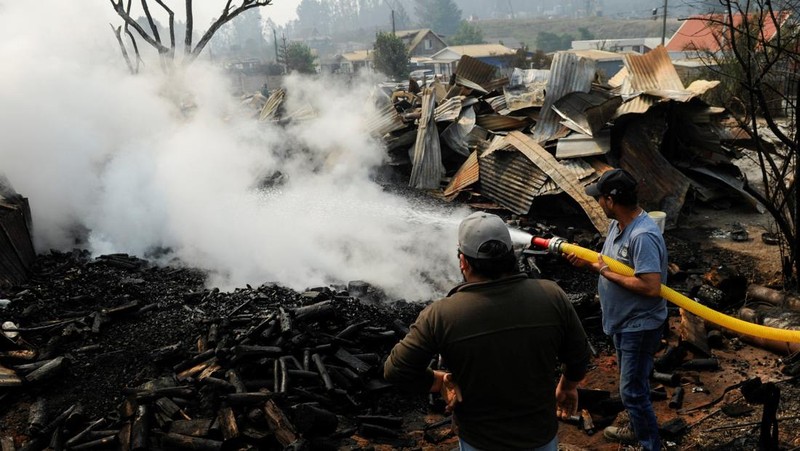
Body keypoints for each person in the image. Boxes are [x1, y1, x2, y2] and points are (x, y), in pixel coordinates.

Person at [384, 211, 591, 450]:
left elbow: (396, 370)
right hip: (540, 436)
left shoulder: (440, 315)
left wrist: (438, 381)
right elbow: (579, 354)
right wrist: (567, 386)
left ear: (463, 261)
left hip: (479, 440)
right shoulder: (552, 295)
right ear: (511, 254)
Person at [566, 168, 668, 451]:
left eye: (599, 198)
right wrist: (587, 263)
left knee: (631, 391)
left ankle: (650, 445)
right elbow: (607, 263)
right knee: (633, 385)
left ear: (610, 200)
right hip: (623, 322)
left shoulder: (643, 236)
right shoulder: (617, 226)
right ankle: (637, 430)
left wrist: (605, 273)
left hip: (640, 325)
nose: (598, 202)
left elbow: (651, 286)